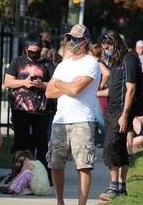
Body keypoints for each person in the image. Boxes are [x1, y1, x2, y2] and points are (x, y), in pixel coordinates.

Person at [45, 24, 101, 205]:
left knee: (83, 165)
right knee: (55, 163)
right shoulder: (63, 65)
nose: (72, 42)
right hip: (60, 120)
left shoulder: (91, 63)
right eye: (70, 38)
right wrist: (67, 84)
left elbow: (76, 89)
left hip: (82, 120)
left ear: (85, 41)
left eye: (76, 39)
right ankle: (60, 201)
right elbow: (48, 92)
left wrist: (60, 84)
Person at [4, 30, 55, 183]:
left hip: (41, 111)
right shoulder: (18, 61)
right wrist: (24, 83)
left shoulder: (47, 64)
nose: (33, 55)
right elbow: (8, 82)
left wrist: (42, 84)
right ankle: (17, 172)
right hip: (20, 109)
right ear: (26, 49)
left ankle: (43, 174)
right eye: (31, 52)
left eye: (36, 52)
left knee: (41, 144)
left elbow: (55, 84)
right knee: (21, 142)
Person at [98, 30, 139, 201]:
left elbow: (130, 89)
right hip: (112, 111)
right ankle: (121, 187)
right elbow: (116, 90)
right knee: (120, 149)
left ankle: (113, 188)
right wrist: (98, 92)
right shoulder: (116, 62)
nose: (106, 51)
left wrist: (124, 115)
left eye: (108, 48)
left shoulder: (129, 59)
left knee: (110, 147)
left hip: (120, 112)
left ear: (115, 45)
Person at [89, 43, 110, 147]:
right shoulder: (98, 62)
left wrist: (100, 86)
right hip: (97, 96)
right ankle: (98, 142)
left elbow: (106, 73)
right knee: (96, 121)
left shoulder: (97, 63)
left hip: (98, 96)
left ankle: (108, 144)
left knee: (101, 121)